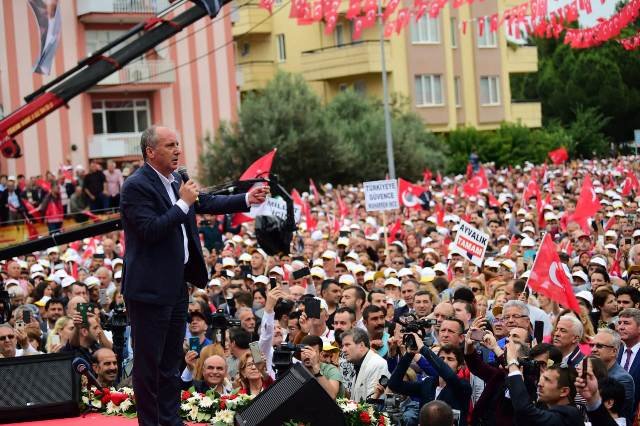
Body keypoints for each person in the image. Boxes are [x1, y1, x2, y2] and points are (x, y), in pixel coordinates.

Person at [119, 125, 267, 426]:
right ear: (150, 151)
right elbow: (150, 230)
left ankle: (171, 420)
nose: (177, 150)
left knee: (171, 362)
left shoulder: (177, 180)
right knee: (149, 365)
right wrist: (183, 202)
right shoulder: (136, 186)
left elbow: (206, 203)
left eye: (178, 144)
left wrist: (246, 199)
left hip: (176, 285)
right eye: (170, 145)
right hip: (148, 289)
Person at [505, 341, 584, 426]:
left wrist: (512, 363)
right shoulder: (535, 393)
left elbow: (525, 411)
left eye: (547, 380)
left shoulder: (568, 415)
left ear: (564, 391)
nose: (540, 384)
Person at [589, 328, 635, 423]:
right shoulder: (589, 372)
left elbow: (621, 416)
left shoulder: (623, 379)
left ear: (614, 351)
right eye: (592, 345)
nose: (593, 349)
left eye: (599, 346)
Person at [341, 328, 389, 402]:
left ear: (361, 346)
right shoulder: (358, 363)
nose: (343, 350)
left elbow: (372, 408)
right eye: (343, 346)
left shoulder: (376, 364)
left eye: (347, 345)